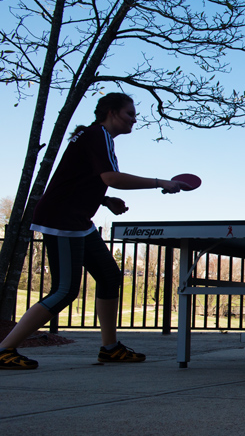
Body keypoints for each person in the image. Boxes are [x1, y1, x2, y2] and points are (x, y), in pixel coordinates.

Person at [0, 93, 188, 370]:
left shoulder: (94, 137)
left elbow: (74, 178)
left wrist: (104, 199)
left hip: (78, 220)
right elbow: (111, 178)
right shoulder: (97, 135)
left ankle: (110, 348)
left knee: (110, 276)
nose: (135, 119)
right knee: (65, 290)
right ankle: (4, 349)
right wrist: (162, 182)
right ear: (111, 113)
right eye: (130, 114)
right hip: (61, 220)